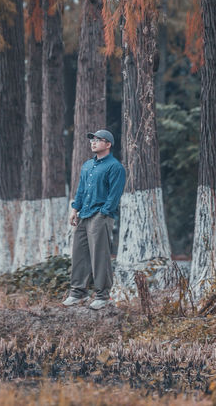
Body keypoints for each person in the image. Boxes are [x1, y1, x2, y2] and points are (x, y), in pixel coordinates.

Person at [62, 129, 126, 310]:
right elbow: (81, 190)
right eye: (92, 140)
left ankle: (102, 295)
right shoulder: (87, 166)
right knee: (79, 254)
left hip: (101, 215)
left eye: (98, 140)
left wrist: (104, 212)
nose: (93, 142)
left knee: (100, 256)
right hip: (84, 214)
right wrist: (75, 209)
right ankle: (77, 293)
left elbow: (114, 195)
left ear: (108, 144)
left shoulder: (115, 167)